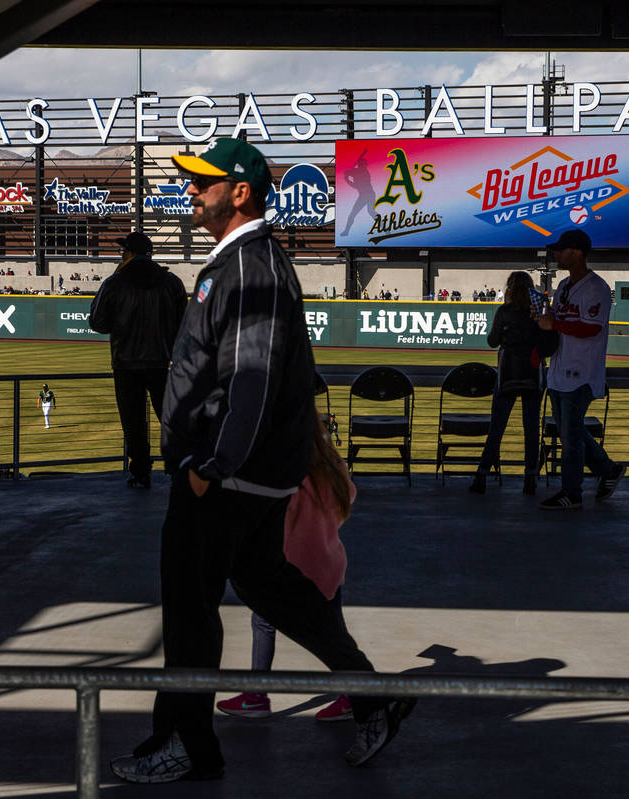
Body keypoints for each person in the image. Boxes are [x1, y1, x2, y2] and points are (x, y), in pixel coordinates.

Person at [109, 137, 414, 785]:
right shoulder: (238, 262)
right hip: (241, 474)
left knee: (191, 607)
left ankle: (188, 744)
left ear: (239, 191)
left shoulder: (251, 265)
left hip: (229, 477)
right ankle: (374, 692)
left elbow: (252, 376)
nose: (191, 191)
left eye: (203, 182)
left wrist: (214, 464)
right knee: (272, 588)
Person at [216, 412, 356, 723]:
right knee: (334, 632)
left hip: (293, 567)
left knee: (264, 623)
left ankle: (256, 696)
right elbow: (349, 496)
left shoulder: (287, 472)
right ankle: (351, 694)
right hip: (330, 562)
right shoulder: (331, 464)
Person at [88, 231, 187, 489]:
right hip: (162, 363)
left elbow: (97, 322)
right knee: (171, 418)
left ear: (130, 253)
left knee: (133, 423)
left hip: (126, 364)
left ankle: (141, 472)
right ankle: (180, 470)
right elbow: (184, 325)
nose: (121, 254)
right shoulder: (171, 282)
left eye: (124, 251)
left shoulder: (114, 282)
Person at [536, 230, 624, 509]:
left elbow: (591, 328)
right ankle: (608, 469)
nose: (556, 255)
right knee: (568, 432)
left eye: (561, 250)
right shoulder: (562, 286)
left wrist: (555, 324)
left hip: (583, 372)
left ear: (577, 252)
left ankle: (571, 492)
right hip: (559, 370)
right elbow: (558, 324)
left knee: (571, 437)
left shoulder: (596, 287)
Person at [471, 272, 557, 496]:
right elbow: (550, 343)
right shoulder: (538, 312)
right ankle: (530, 477)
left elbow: (492, 342)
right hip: (533, 374)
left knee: (497, 428)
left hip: (507, 374)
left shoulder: (504, 312)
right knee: (531, 429)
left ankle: (481, 474)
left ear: (509, 288)